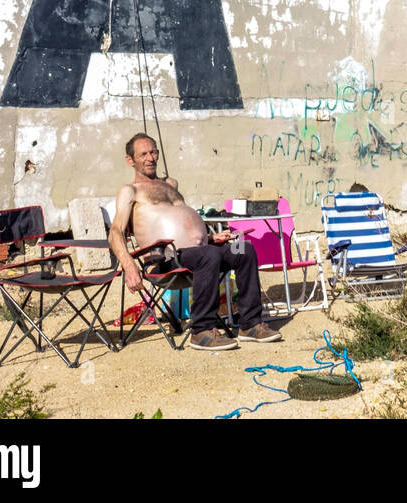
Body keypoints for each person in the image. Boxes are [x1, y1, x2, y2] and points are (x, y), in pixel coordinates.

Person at [107, 133, 282, 351]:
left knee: (244, 249)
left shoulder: (170, 184)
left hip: (200, 252)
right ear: (130, 160)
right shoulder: (129, 191)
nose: (150, 158)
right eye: (143, 154)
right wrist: (128, 264)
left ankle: (251, 325)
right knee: (209, 255)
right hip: (166, 260)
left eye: (153, 152)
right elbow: (115, 232)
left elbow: (181, 220)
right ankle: (201, 331)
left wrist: (210, 238)